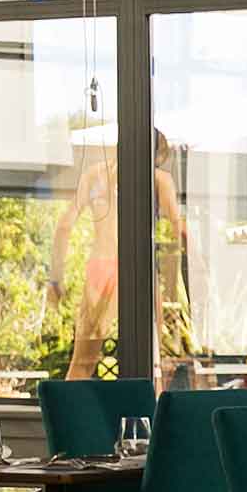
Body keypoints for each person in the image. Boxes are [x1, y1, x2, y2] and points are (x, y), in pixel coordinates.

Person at [47, 130, 192, 381]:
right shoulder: (158, 179)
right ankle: (150, 418)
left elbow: (64, 225)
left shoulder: (94, 175)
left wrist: (56, 279)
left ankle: (63, 418)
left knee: (82, 362)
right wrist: (200, 274)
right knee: (151, 364)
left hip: (100, 267)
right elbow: (179, 229)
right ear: (156, 155)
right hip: (138, 271)